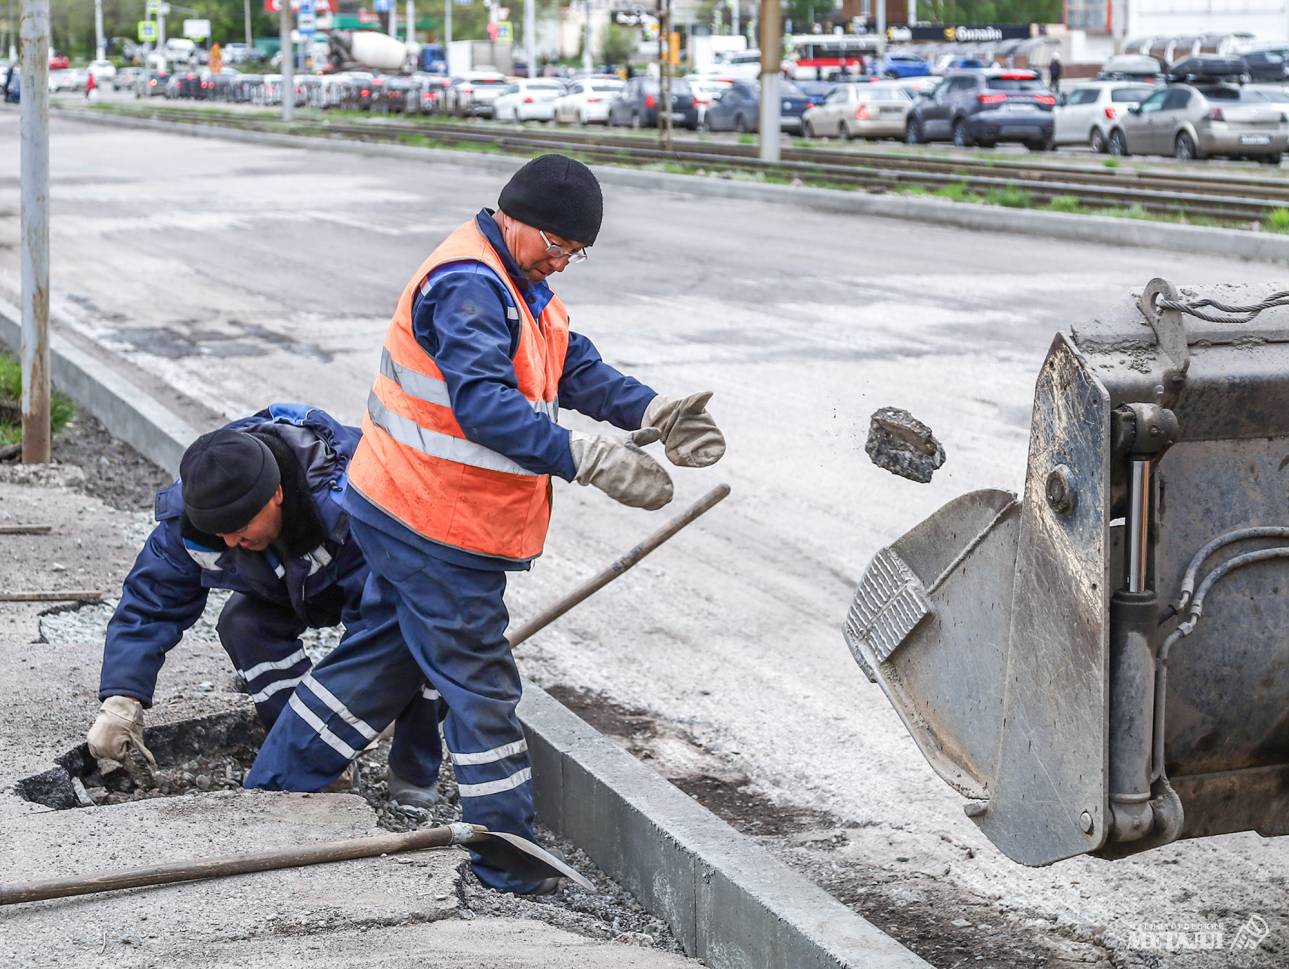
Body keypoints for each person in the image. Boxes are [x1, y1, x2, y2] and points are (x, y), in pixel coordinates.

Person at [244, 155, 726, 893]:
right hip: (432, 520)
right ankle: (507, 856)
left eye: (576, 253)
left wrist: (651, 410)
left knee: (381, 657)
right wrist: (585, 458)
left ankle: (279, 782)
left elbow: (571, 365)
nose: (564, 263)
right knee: (479, 680)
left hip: (402, 504)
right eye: (559, 246)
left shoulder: (518, 281)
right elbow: (485, 407)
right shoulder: (469, 284)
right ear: (516, 218)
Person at [87, 403, 443, 808]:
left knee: (413, 644)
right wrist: (122, 697)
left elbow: (380, 638)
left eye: (240, 528)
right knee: (243, 622)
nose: (231, 542)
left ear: (276, 493)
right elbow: (149, 603)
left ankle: (415, 770)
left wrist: (359, 709)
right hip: (287, 581)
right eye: (220, 534)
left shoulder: (349, 500)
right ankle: (324, 764)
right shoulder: (199, 510)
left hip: (376, 577)